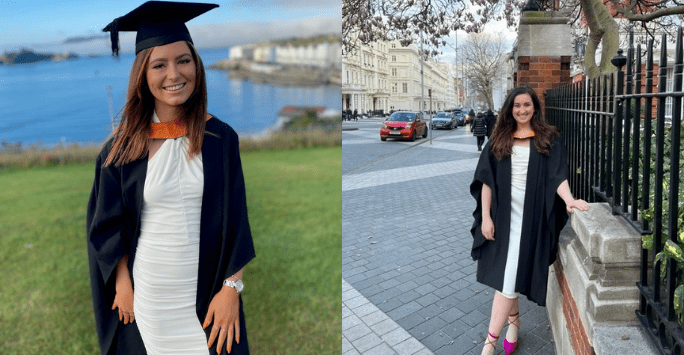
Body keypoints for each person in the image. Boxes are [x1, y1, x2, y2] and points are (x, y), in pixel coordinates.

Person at [87, 2, 255, 354]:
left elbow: (237, 222)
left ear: (196, 64)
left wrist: (231, 289)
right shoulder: (122, 150)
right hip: (150, 294)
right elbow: (107, 226)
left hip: (210, 290)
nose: (174, 74)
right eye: (158, 65)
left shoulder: (221, 139)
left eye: (183, 60)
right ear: (143, 75)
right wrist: (122, 284)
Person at [469, 87, 588, 355]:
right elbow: (486, 181)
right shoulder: (499, 138)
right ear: (510, 109)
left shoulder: (548, 138)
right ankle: (509, 329)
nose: (522, 110)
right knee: (508, 276)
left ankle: (489, 344)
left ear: (535, 107)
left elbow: (557, 177)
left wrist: (569, 200)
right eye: (517, 106)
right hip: (503, 217)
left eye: (527, 105)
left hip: (531, 218)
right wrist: (486, 217)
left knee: (510, 276)